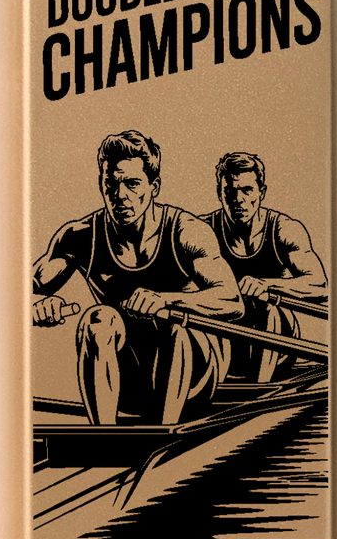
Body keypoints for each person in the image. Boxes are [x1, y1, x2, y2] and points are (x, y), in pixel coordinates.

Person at [32, 130, 243, 425]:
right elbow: (12, 293)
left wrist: (165, 301)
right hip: (127, 379)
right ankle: (105, 433)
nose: (120, 196)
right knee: (98, 319)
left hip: (195, 376)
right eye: (111, 184)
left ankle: (164, 432)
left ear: (154, 187)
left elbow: (232, 300)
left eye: (132, 184)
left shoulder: (186, 231)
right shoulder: (79, 236)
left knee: (173, 325)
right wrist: (38, 307)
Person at [201, 151, 328, 382]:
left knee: (266, 307)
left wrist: (267, 285)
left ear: (262, 192)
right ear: (219, 193)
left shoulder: (284, 229)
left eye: (247, 190)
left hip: (278, 341)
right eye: (230, 191)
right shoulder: (202, 231)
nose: (238, 199)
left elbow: (319, 284)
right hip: (224, 335)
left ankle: (260, 385)